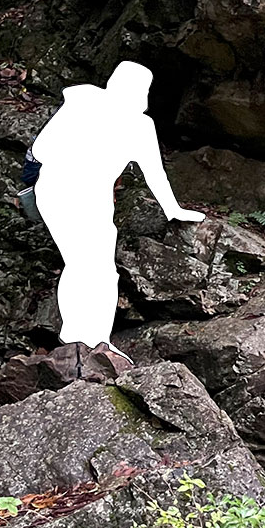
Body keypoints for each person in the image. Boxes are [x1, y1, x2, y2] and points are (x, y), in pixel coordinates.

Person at [31, 62, 206, 354]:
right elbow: (42, 149)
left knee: (104, 270)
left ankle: (100, 340)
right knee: (82, 262)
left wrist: (173, 209)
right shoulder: (83, 103)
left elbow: (155, 173)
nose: (141, 96)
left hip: (95, 201)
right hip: (60, 191)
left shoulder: (140, 126)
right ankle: (76, 335)